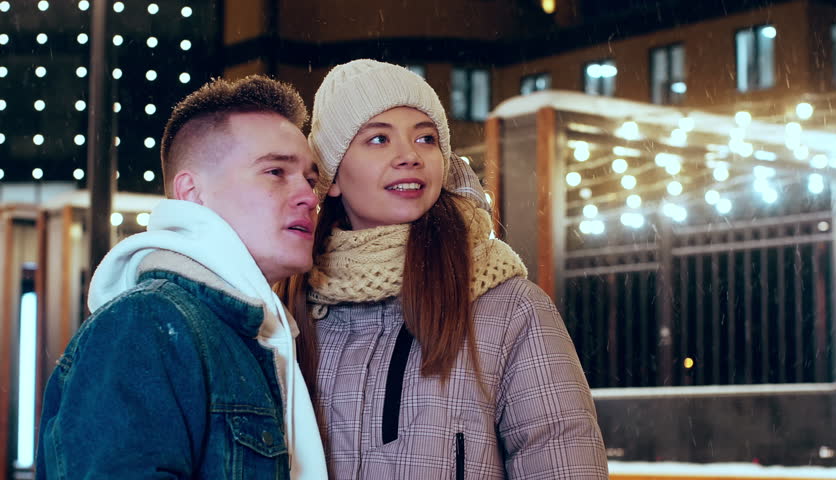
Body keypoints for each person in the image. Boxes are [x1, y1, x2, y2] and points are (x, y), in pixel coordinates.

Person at [284, 59, 608, 479]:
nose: (409, 156)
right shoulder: (290, 303)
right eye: (379, 139)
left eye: (426, 139)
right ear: (332, 177)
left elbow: (564, 462)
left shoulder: (509, 307)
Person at [36, 75, 327, 479]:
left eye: (311, 180)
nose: (309, 197)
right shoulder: (147, 324)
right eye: (276, 172)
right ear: (192, 193)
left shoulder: (249, 333)